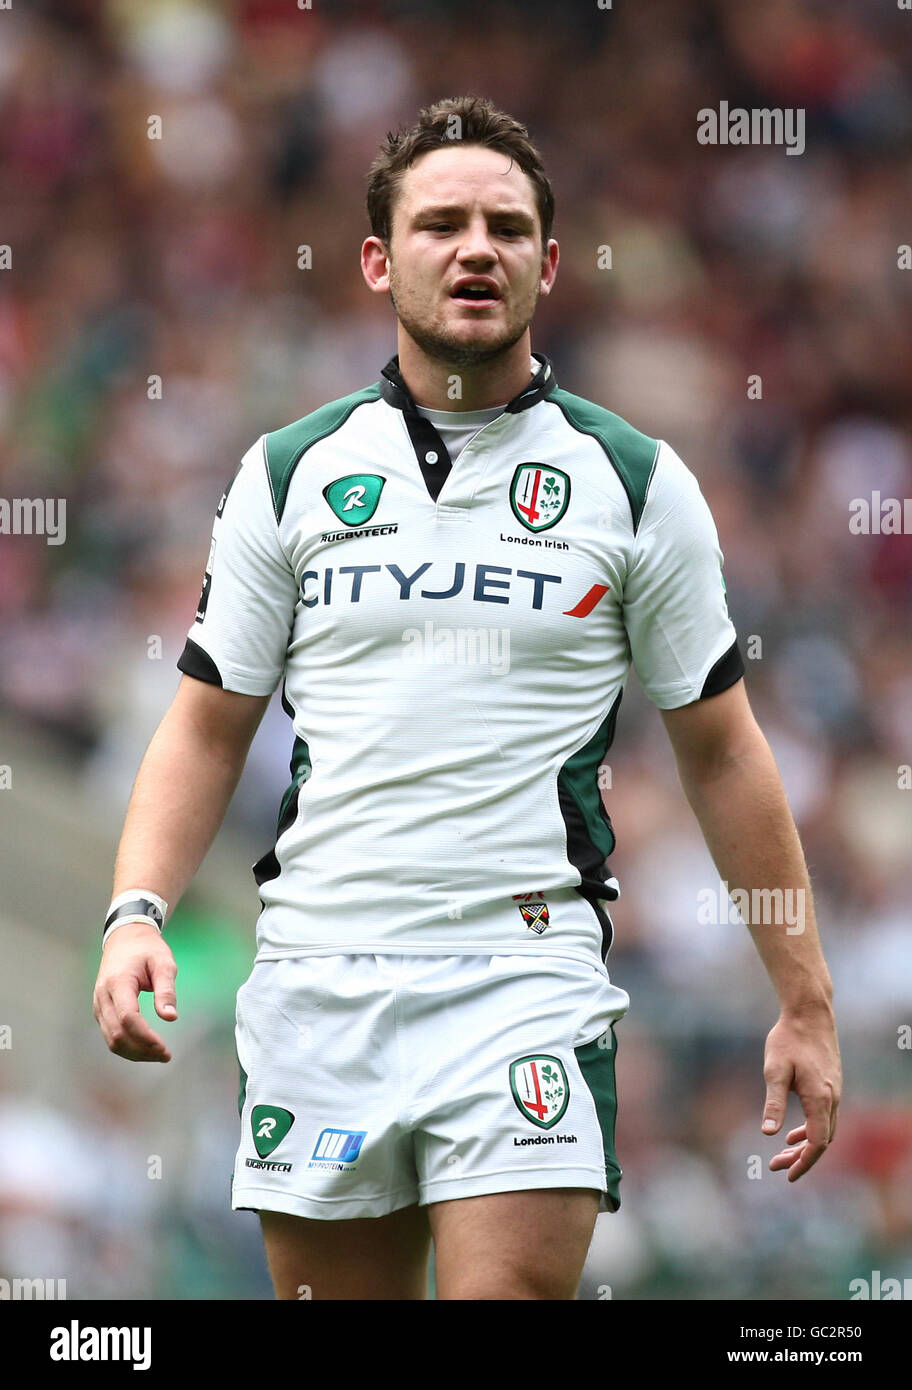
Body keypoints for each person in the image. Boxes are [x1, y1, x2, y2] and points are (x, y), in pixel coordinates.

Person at [93, 94, 841, 1301]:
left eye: (505, 225)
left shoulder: (634, 481)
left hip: (523, 969)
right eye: (442, 223)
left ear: (550, 262)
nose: (475, 248)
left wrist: (803, 1000)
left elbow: (725, 753)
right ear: (381, 262)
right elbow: (205, 721)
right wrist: (136, 910)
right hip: (320, 974)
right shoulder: (291, 473)